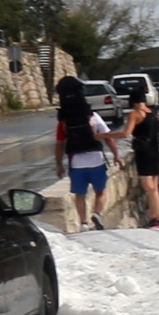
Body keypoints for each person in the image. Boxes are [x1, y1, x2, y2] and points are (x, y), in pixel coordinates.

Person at [53, 77, 111, 228]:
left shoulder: (63, 121)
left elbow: (59, 144)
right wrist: (116, 155)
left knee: (80, 195)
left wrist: (59, 165)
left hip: (76, 163)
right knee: (101, 192)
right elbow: (108, 136)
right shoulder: (92, 116)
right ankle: (96, 213)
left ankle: (83, 223)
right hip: (96, 160)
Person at [127, 82, 159, 227]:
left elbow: (126, 133)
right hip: (154, 152)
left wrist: (103, 136)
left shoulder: (135, 114)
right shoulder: (152, 113)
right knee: (154, 187)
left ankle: (157, 219)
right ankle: (158, 216)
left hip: (143, 153)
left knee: (149, 188)